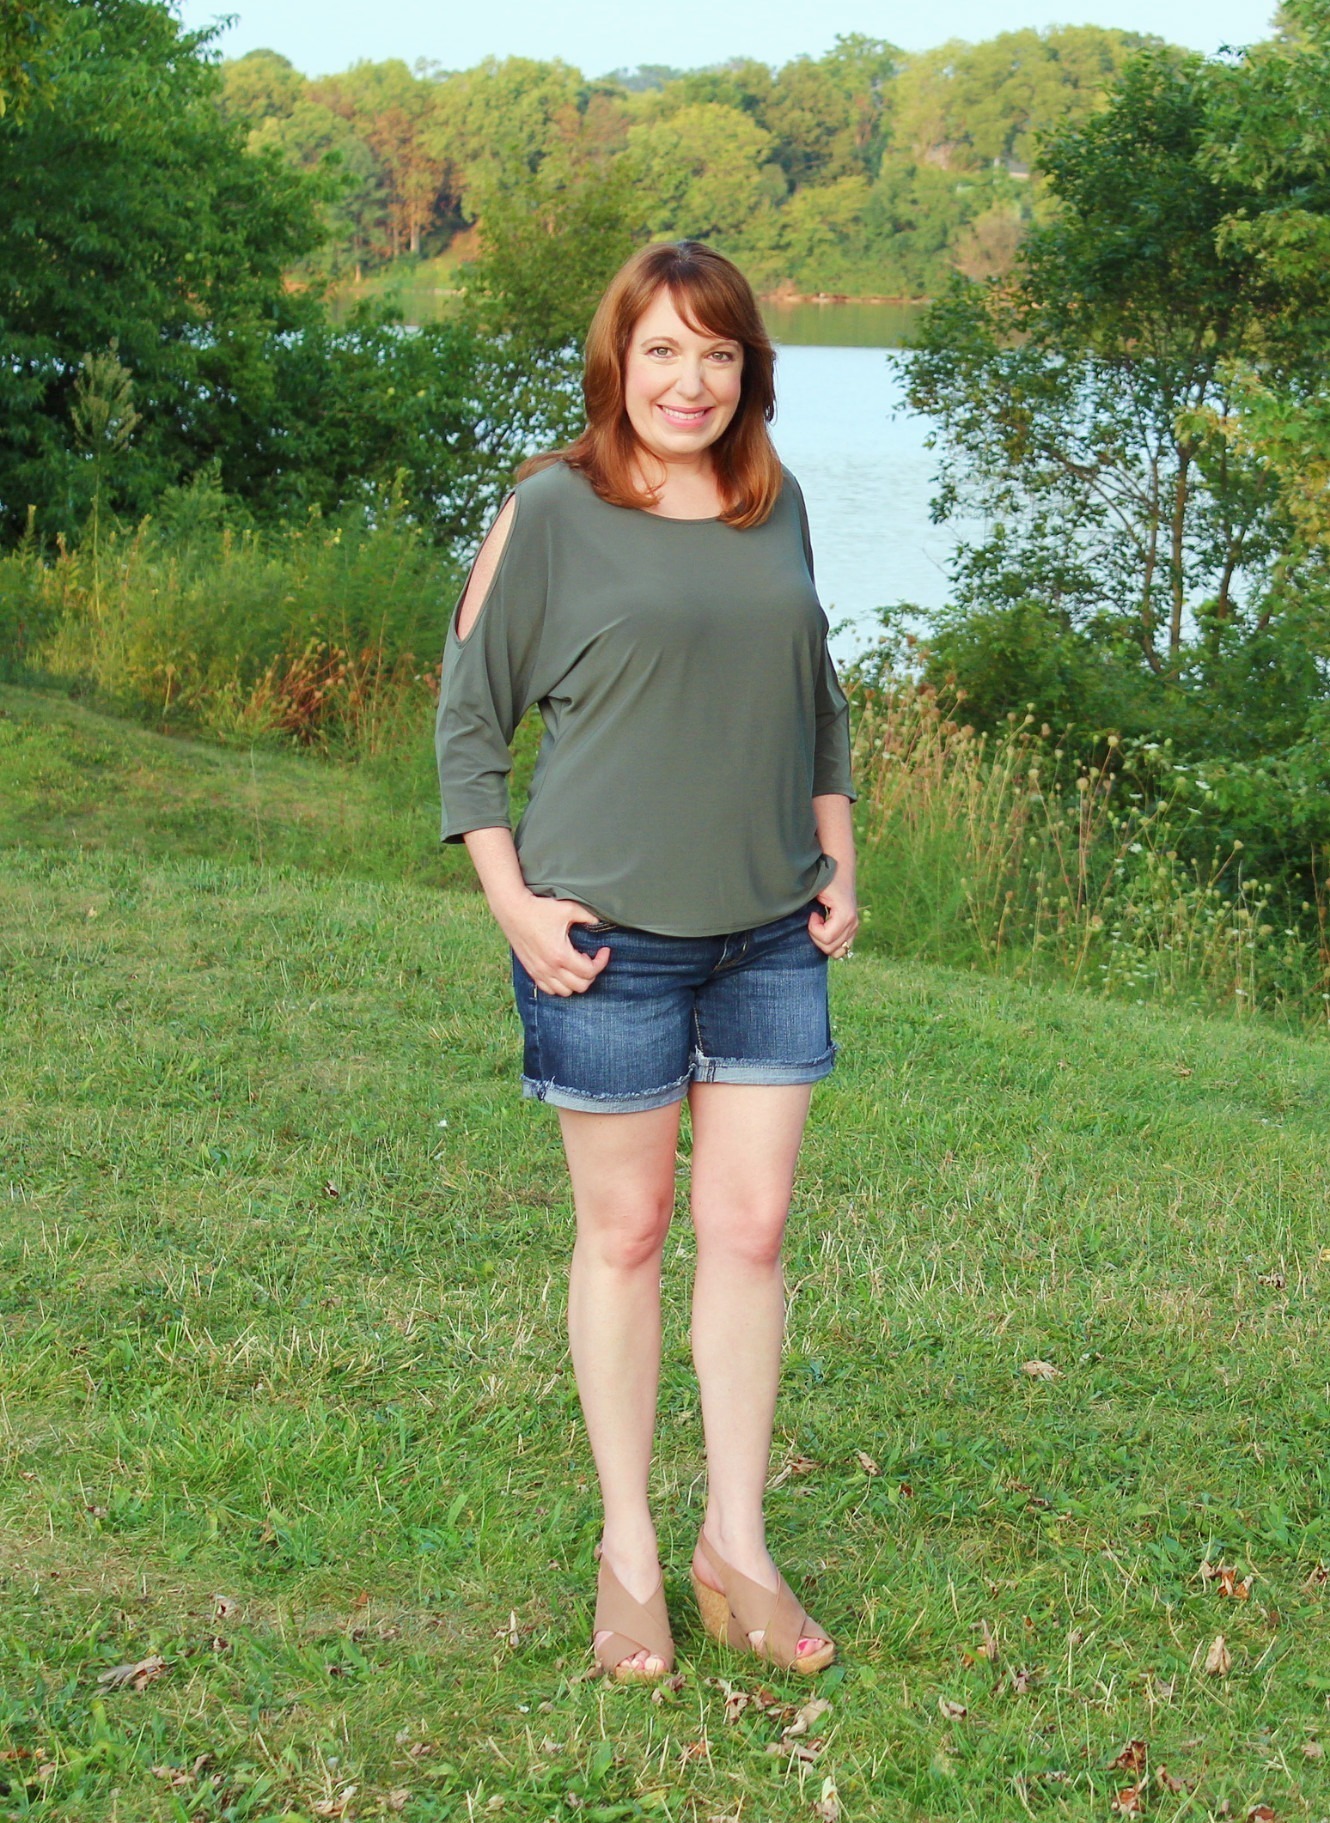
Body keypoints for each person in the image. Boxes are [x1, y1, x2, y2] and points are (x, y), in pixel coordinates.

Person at [435, 240, 858, 1682]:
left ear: (750, 371)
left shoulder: (771, 500)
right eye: (663, 350)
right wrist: (509, 899)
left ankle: (733, 1550)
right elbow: (469, 724)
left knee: (748, 1235)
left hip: (766, 936)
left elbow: (815, 695)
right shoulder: (551, 510)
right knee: (624, 1237)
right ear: (618, 358)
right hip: (600, 940)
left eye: (719, 353)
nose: (690, 381)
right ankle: (629, 1549)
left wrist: (837, 845)